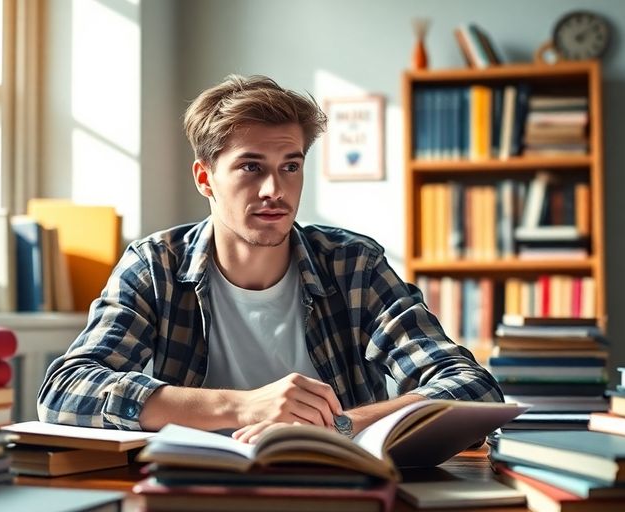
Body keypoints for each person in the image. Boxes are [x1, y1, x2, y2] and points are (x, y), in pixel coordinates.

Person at [37, 74, 502, 442]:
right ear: (205, 178)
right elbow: (64, 390)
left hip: (337, 488)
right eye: (250, 166)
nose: (274, 191)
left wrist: (341, 425)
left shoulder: (353, 265)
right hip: (195, 490)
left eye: (291, 167)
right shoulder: (155, 265)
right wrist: (245, 406)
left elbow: (472, 389)